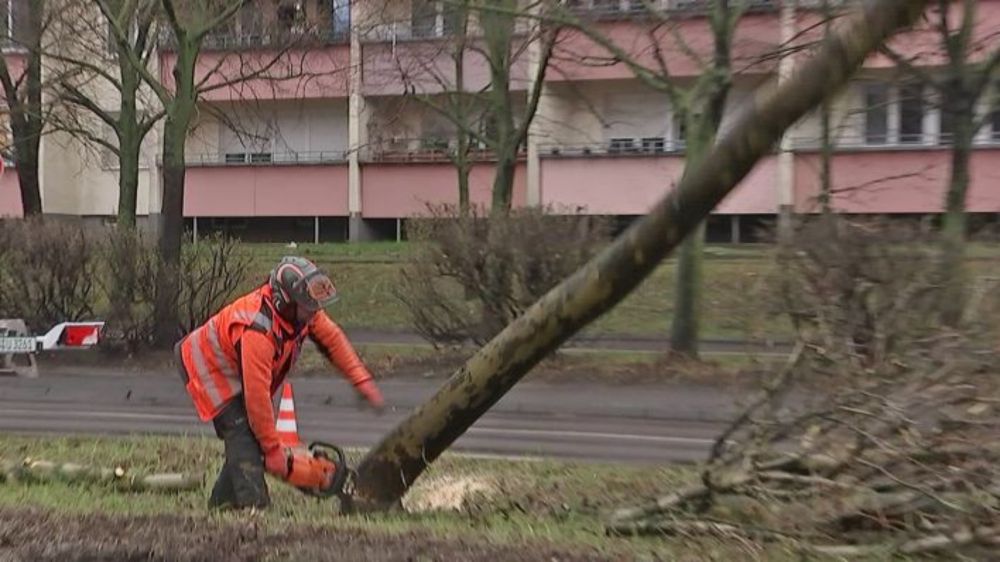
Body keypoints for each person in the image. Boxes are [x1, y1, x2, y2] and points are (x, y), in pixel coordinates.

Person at [174, 256, 385, 510]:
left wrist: (361, 379)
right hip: (208, 367)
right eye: (309, 306)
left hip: (234, 368)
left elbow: (333, 340)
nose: (315, 311)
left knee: (249, 439)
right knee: (242, 434)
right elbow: (257, 397)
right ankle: (254, 508)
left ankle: (221, 505)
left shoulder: (302, 312)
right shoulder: (257, 331)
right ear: (286, 301)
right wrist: (273, 450)